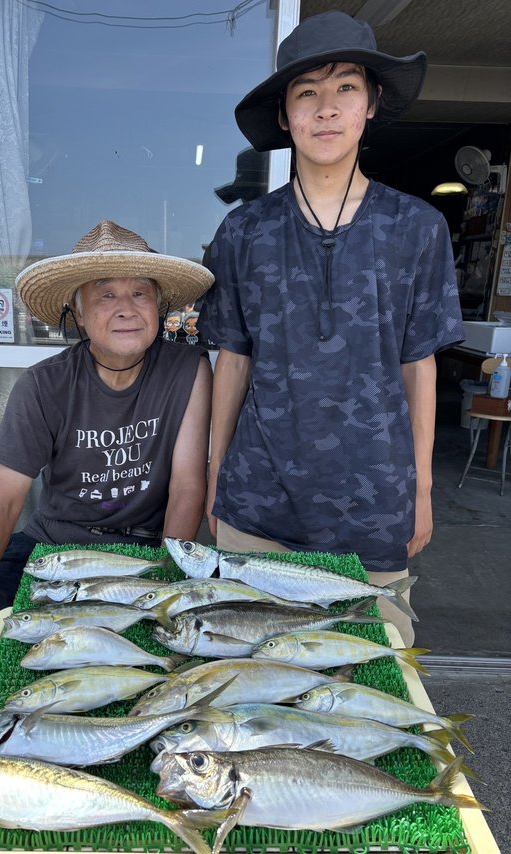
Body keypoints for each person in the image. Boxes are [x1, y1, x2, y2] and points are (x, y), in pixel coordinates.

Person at [199, 11, 464, 646]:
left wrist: (422, 491)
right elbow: (233, 359)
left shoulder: (417, 228)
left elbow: (419, 365)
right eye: (306, 92)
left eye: (346, 87)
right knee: (250, 673)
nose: (326, 108)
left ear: (371, 103)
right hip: (257, 503)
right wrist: (216, 475)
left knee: (370, 670)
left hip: (375, 506)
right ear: (285, 114)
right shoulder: (245, 230)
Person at [0, 219, 214, 738]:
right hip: (52, 549)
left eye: (140, 293)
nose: (126, 307)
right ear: (77, 313)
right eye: (105, 294)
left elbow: (188, 485)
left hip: (148, 549)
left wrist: (165, 578)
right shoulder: (44, 385)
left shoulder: (188, 369)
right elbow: (2, 502)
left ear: (160, 306)